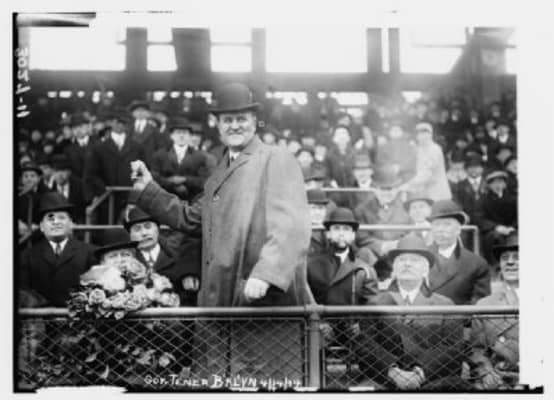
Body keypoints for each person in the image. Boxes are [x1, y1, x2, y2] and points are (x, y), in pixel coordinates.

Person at [130, 82, 313, 380]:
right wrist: (149, 189)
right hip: (220, 299)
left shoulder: (275, 158)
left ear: (255, 121)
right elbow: (192, 218)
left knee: (263, 382)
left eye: (242, 118)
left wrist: (266, 273)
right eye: (228, 119)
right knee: (220, 382)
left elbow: (291, 224)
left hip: (257, 296)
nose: (235, 125)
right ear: (217, 125)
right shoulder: (219, 171)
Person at [354, 234, 469, 390]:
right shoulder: (375, 303)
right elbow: (366, 344)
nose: (407, 264)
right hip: (385, 381)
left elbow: (453, 348)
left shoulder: (445, 305)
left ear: (425, 269)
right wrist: (393, 372)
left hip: (432, 381)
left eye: (414, 260)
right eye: (402, 260)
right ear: (394, 269)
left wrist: (420, 372)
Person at [19, 192, 97, 307]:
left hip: (78, 316)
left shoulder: (90, 253)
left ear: (71, 223)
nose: (56, 222)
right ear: (42, 226)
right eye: (50, 218)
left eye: (62, 217)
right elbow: (23, 290)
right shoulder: (27, 256)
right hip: (41, 316)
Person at [470, 232, 519, 389]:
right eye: (505, 258)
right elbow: (477, 351)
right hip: (499, 380)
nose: (510, 262)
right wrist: (486, 373)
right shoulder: (485, 304)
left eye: (517, 257)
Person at [124, 207, 200, 305]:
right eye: (137, 229)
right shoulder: (127, 261)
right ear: (130, 235)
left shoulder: (178, 256)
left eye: (148, 227)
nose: (144, 233)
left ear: (158, 229)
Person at [84, 112, 146, 225]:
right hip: (107, 199)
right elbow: (91, 174)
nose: (120, 125)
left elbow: (143, 171)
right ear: (111, 123)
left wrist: (136, 191)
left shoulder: (137, 147)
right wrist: (104, 190)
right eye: (117, 122)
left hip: (131, 198)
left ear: (127, 125)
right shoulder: (99, 147)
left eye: (123, 122)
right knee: (107, 230)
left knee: (132, 228)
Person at [427, 200, 491, 305]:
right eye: (436, 224)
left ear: (458, 229)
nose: (440, 229)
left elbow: (479, 305)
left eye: (447, 224)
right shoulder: (421, 257)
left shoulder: (476, 264)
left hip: (457, 315)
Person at [150, 117, 215, 201]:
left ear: (189, 136)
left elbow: (204, 181)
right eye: (178, 132)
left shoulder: (200, 157)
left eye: (184, 133)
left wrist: (185, 180)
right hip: (165, 199)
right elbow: (154, 177)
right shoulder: (160, 155)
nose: (181, 136)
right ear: (172, 136)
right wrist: (172, 183)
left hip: (190, 200)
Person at [477, 170, 518, 264]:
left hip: (511, 229)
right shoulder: (482, 200)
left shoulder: (514, 198)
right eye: (494, 183)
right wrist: (496, 227)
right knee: (496, 237)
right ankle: (496, 265)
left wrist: (512, 227)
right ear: (489, 185)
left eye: (500, 182)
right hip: (492, 231)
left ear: (505, 184)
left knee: (514, 238)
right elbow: (479, 218)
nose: (497, 185)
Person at [405, 121, 452, 201]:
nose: (423, 136)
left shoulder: (434, 149)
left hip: (437, 192)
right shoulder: (418, 149)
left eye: (426, 133)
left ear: (431, 134)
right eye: (419, 133)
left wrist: (408, 185)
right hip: (423, 191)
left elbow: (427, 173)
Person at [128, 100, 169, 166]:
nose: (140, 113)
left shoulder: (154, 129)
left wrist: (155, 159)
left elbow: (160, 147)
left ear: (148, 113)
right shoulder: (128, 128)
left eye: (143, 110)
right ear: (133, 113)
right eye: (137, 110)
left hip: (149, 162)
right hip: (131, 162)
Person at [63, 113, 96, 179]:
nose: (78, 130)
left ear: (87, 127)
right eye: (75, 128)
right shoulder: (68, 150)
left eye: (81, 126)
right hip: (78, 183)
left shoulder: (98, 145)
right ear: (72, 130)